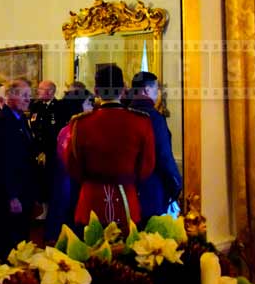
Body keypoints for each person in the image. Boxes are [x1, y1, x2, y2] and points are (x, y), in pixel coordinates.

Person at [65, 64, 155, 235]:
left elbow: (73, 166)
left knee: (88, 258)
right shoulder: (141, 122)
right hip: (127, 202)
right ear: (123, 90)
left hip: (90, 203)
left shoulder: (80, 123)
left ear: (96, 90)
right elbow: (146, 168)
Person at [0, 79, 38, 261]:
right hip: (7, 194)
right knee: (5, 243)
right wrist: (12, 196)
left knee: (21, 239)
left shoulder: (21, 118)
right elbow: (1, 163)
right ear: (10, 97)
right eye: (24, 95)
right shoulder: (1, 122)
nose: (28, 99)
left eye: (29, 96)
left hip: (23, 188)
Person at [129, 71, 182, 224]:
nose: (157, 93)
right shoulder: (154, 118)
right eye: (155, 89)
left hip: (127, 191)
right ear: (146, 90)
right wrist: (176, 184)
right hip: (152, 189)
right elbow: (164, 156)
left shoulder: (125, 115)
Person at [44, 87, 95, 243]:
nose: (92, 108)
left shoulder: (68, 129)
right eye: (89, 104)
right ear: (78, 106)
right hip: (72, 187)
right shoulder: (73, 131)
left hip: (67, 185)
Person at [29, 80, 66, 219]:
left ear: (50, 91)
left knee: (52, 181)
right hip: (38, 151)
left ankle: (55, 210)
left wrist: (47, 150)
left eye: (41, 89)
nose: (38, 91)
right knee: (41, 181)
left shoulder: (60, 107)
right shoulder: (36, 106)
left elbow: (59, 131)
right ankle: (45, 210)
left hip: (53, 151)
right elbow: (34, 126)